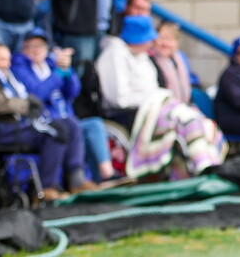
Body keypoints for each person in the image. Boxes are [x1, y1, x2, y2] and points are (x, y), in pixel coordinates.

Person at [95, 15, 224, 177]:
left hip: (155, 107)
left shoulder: (142, 56)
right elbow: (119, 99)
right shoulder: (114, 55)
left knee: (200, 121)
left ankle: (206, 164)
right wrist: (154, 100)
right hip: (131, 113)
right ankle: (202, 166)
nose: (153, 41)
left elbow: (153, 89)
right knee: (185, 120)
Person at [0, 43, 92, 200]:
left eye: (8, 59)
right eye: (2, 59)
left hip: (12, 125)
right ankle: (48, 188)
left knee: (69, 123)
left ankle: (76, 177)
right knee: (53, 132)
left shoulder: (6, 73)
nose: (7, 64)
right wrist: (28, 104)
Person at [11, 28, 115, 183]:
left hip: (66, 119)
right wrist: (59, 73)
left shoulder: (51, 65)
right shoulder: (20, 68)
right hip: (43, 122)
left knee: (95, 125)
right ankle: (76, 178)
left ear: (47, 49)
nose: (35, 50)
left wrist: (68, 70)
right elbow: (36, 95)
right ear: (23, 49)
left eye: (40, 46)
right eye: (30, 46)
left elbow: (73, 92)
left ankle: (107, 175)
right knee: (69, 126)